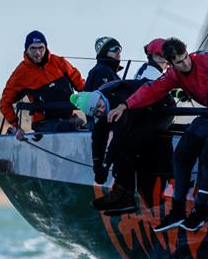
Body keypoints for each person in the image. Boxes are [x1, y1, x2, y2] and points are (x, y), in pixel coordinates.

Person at [108, 37, 208, 232]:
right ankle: (177, 211)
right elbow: (151, 90)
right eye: (179, 62)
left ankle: (200, 211)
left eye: (185, 58)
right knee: (182, 154)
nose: (185, 64)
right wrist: (124, 106)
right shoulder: (174, 75)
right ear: (171, 64)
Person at [71, 38, 174, 213]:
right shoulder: (101, 110)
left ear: (101, 99)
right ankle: (123, 194)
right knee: (121, 143)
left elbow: (118, 139)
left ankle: (125, 196)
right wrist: (98, 167)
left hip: (162, 108)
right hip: (143, 110)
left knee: (127, 144)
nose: (101, 110)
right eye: (97, 112)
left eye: (101, 106)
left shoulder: (114, 101)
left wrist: (106, 166)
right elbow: (98, 138)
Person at [0, 30, 85, 140]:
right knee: (67, 127)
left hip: (68, 118)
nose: (38, 53)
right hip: (44, 124)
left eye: (41, 48)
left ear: (46, 47)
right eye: (33, 48)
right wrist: (16, 127)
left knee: (87, 126)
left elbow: (81, 84)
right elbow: (4, 103)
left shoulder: (58, 62)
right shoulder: (20, 74)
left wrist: (94, 100)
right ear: (26, 50)